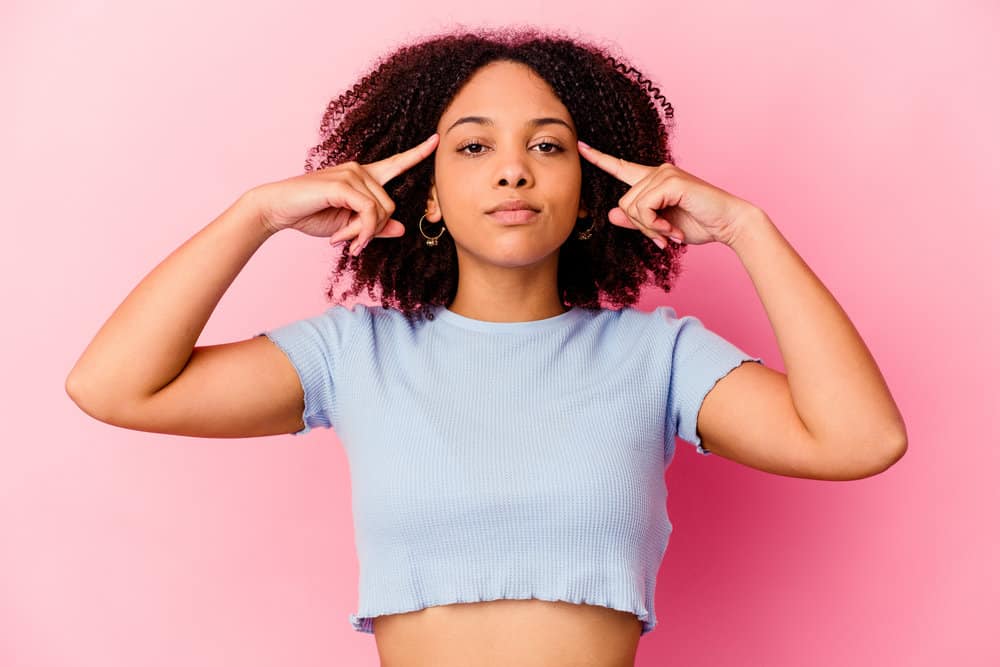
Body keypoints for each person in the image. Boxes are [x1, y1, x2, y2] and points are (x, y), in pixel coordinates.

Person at [65, 26, 908, 667]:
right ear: (427, 198)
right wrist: (257, 213)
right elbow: (114, 386)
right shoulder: (354, 355)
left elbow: (861, 439)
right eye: (474, 146)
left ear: (587, 196)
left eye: (547, 145)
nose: (514, 170)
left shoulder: (659, 358)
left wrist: (748, 229)